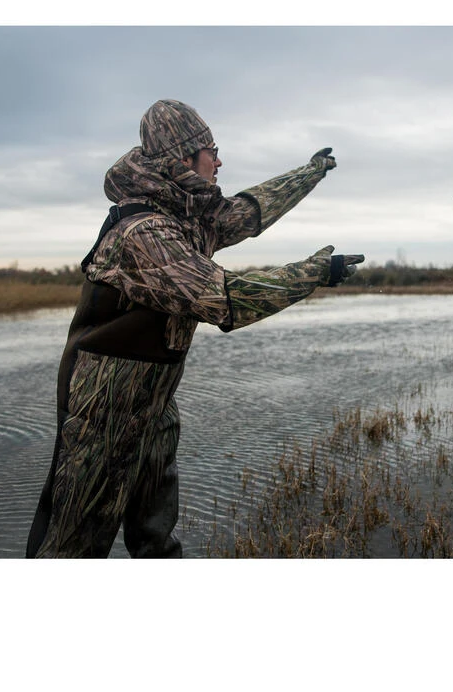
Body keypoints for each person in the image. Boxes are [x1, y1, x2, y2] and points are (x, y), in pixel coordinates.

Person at [26, 99, 364, 558]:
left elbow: (248, 212)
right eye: (212, 151)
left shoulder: (185, 217)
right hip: (101, 412)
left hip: (154, 404)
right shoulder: (146, 233)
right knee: (72, 545)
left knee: (156, 539)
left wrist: (310, 173)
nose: (219, 161)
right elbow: (224, 298)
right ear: (183, 159)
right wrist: (315, 271)